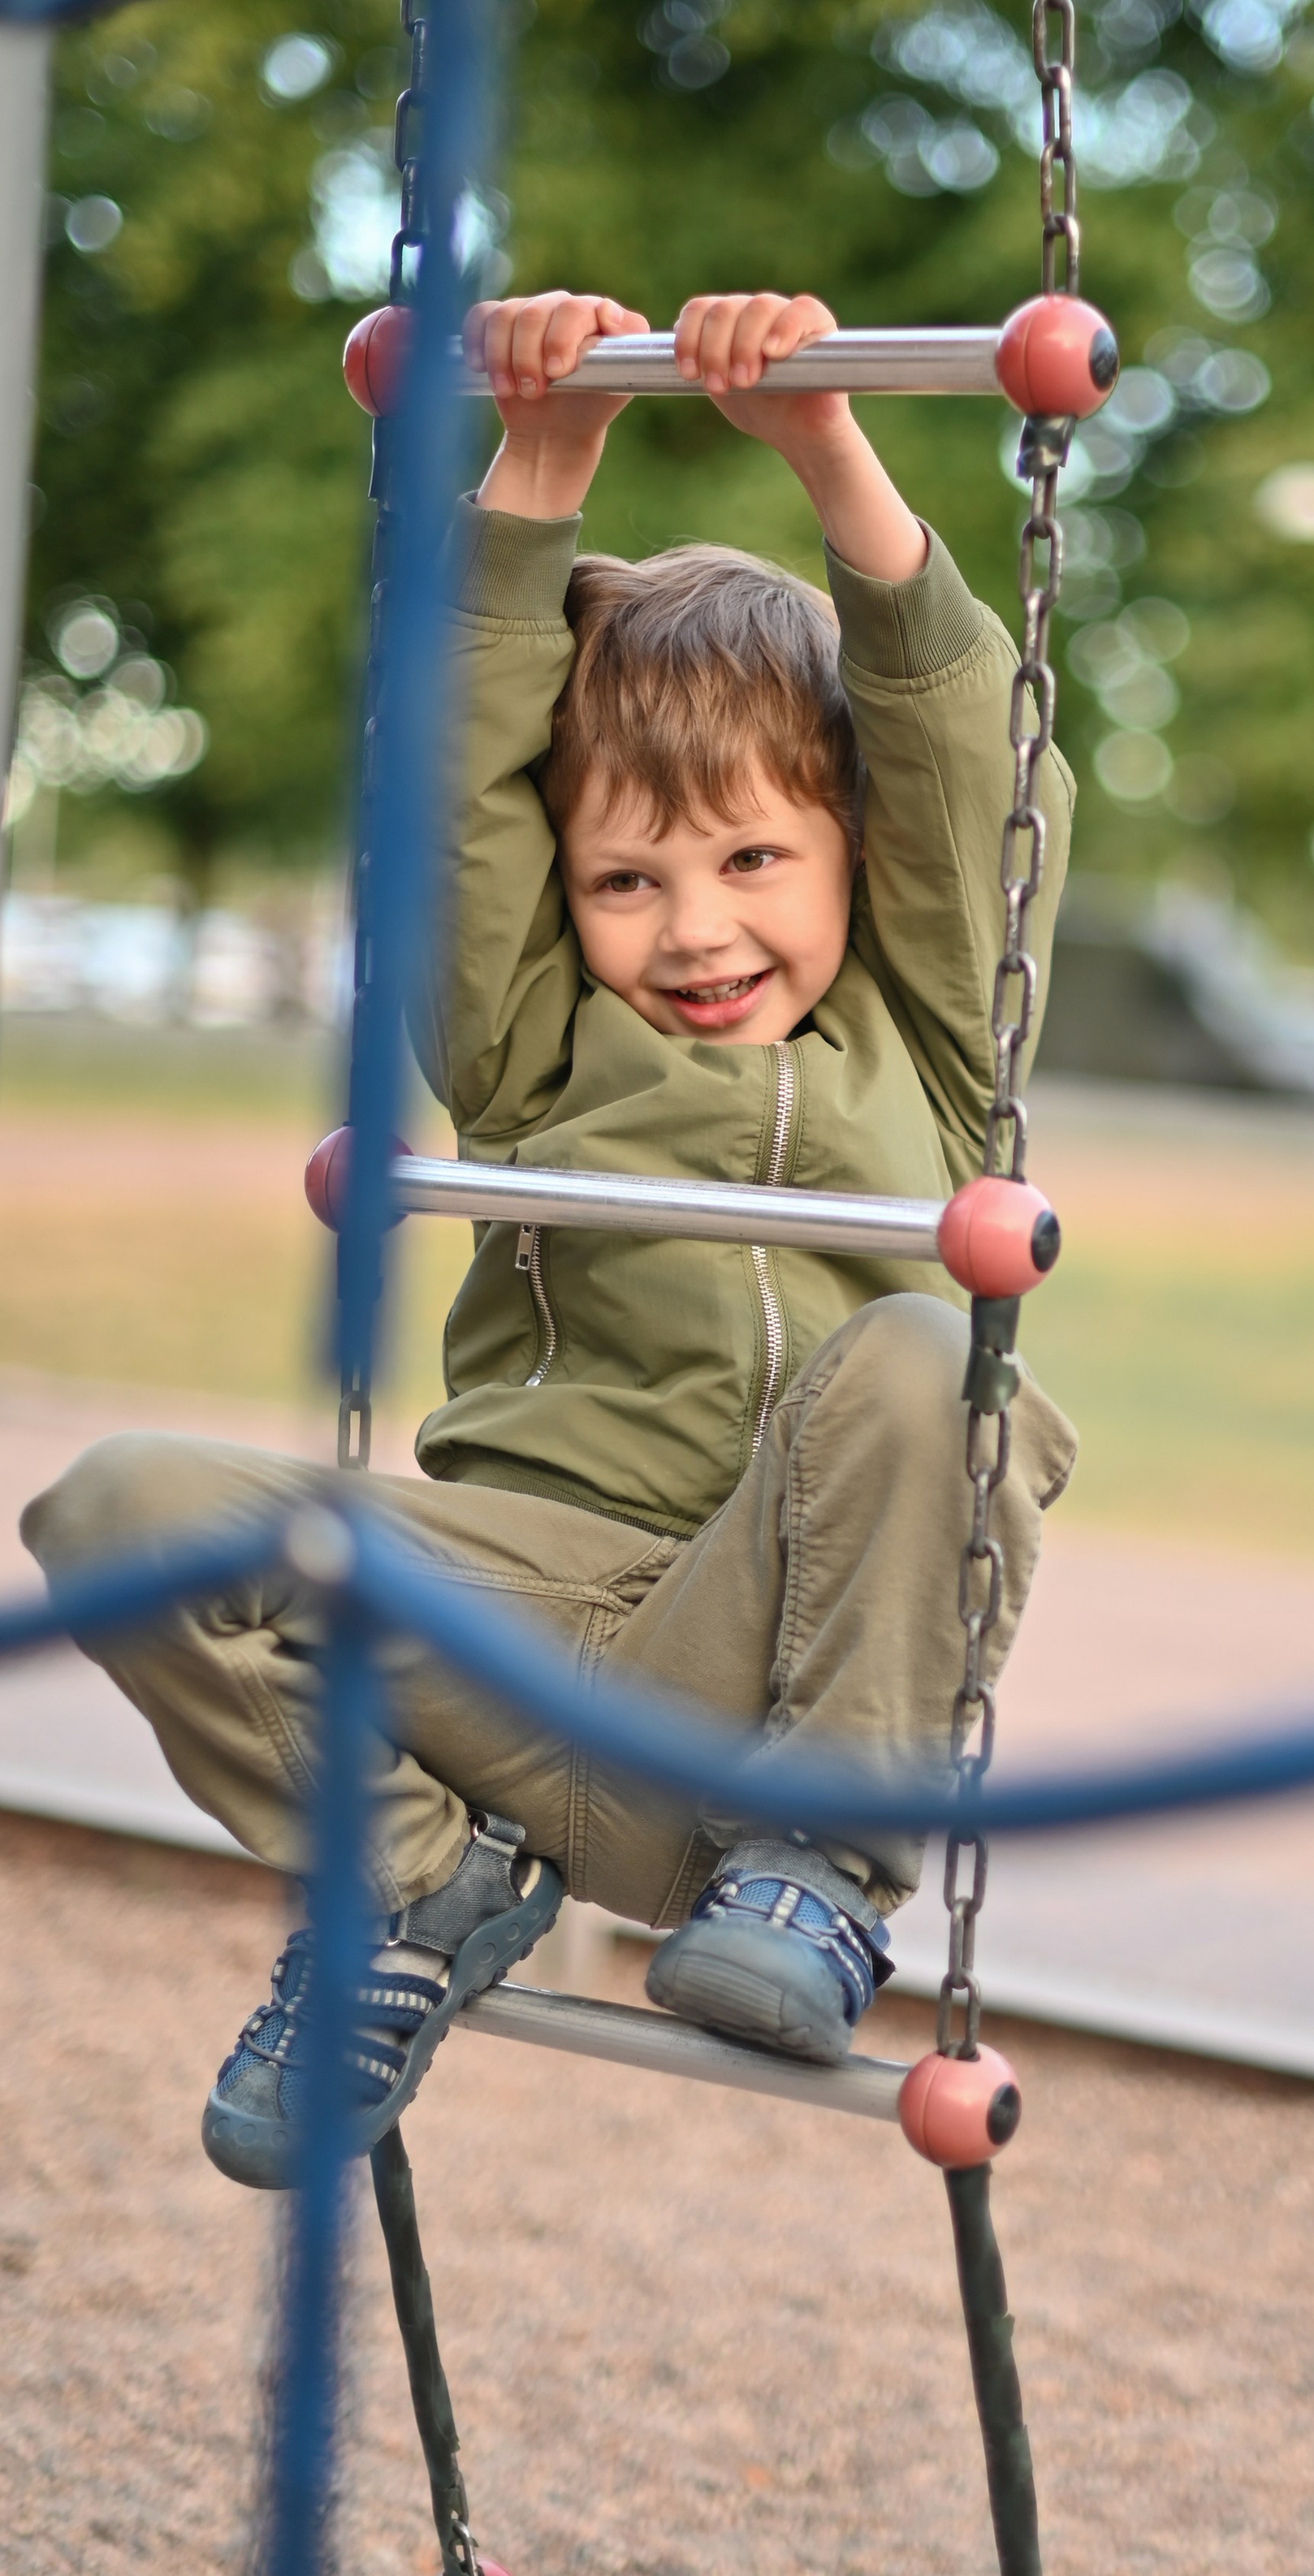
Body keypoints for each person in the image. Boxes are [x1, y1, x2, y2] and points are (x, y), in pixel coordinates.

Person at [22, 287, 1077, 2189]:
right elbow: (447, 806)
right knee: (117, 1514)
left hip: (783, 1661)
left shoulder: (929, 1047)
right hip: (513, 1627)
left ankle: (819, 1874)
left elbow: (969, 778)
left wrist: (826, 448)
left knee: (933, 1352)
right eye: (625, 878)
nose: (693, 931)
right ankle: (423, 1892)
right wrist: (542, 455)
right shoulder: (527, 1053)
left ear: (857, 860)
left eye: (755, 859)